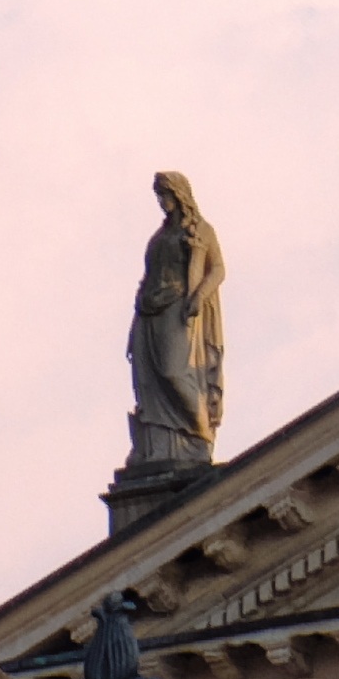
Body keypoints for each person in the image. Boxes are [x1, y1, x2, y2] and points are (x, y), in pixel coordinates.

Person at [127, 172, 228, 469]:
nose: (161, 201)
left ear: (180, 194)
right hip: (148, 312)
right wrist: (134, 328)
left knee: (174, 372)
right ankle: (158, 446)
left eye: (165, 194)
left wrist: (199, 296)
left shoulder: (201, 230)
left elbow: (218, 269)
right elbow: (147, 278)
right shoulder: (158, 237)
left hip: (178, 307)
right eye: (158, 195)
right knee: (148, 381)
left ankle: (199, 435)